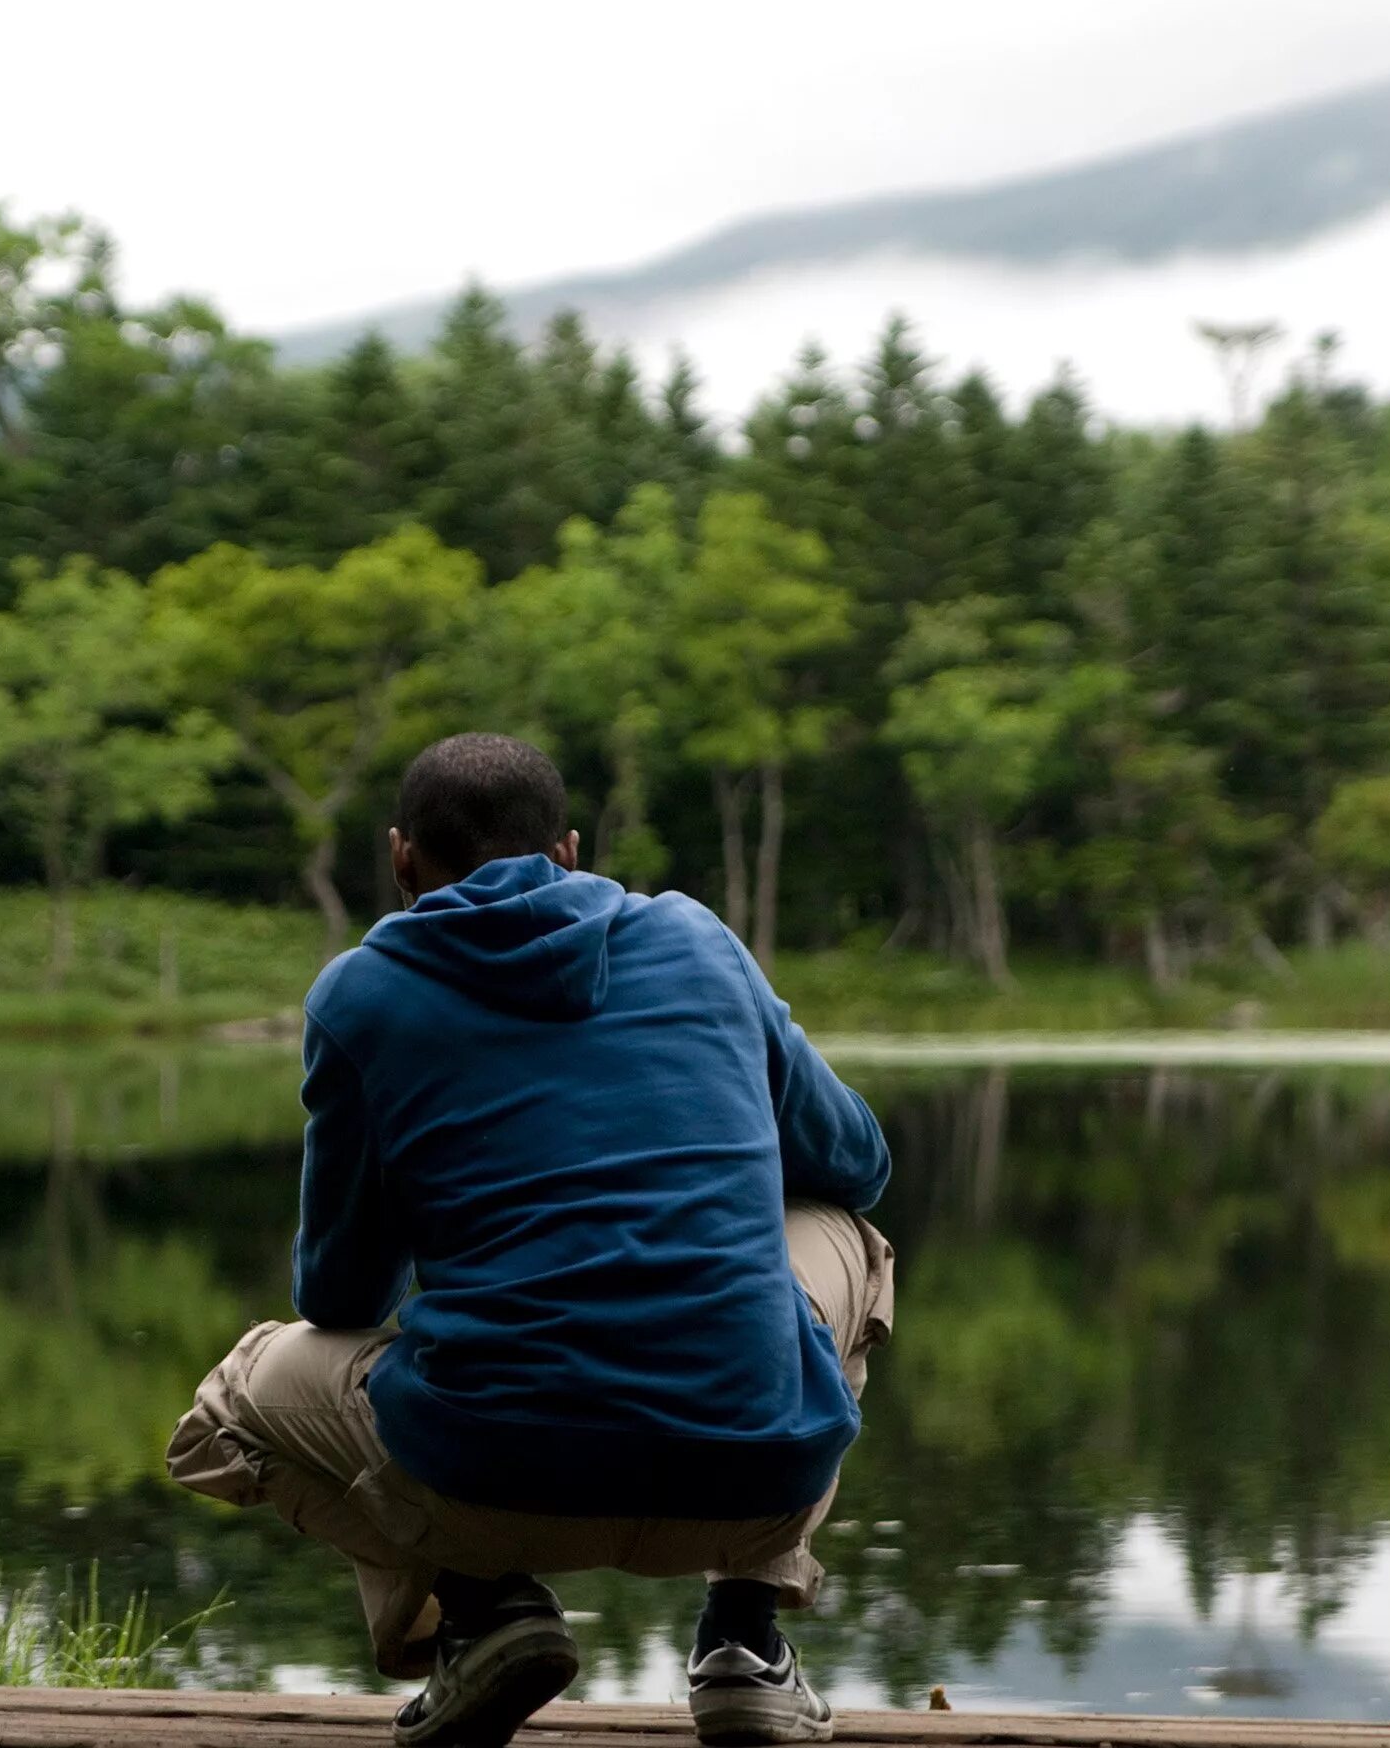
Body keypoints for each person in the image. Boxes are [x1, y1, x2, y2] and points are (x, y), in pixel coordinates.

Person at [167, 733, 893, 1747]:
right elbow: (856, 1164)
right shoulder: (696, 938)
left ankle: (482, 1612)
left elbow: (339, 1293)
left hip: (489, 1485)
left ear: (401, 857)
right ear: (570, 851)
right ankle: (744, 1641)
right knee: (846, 1233)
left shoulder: (360, 993)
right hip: (753, 1484)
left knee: (235, 1400)